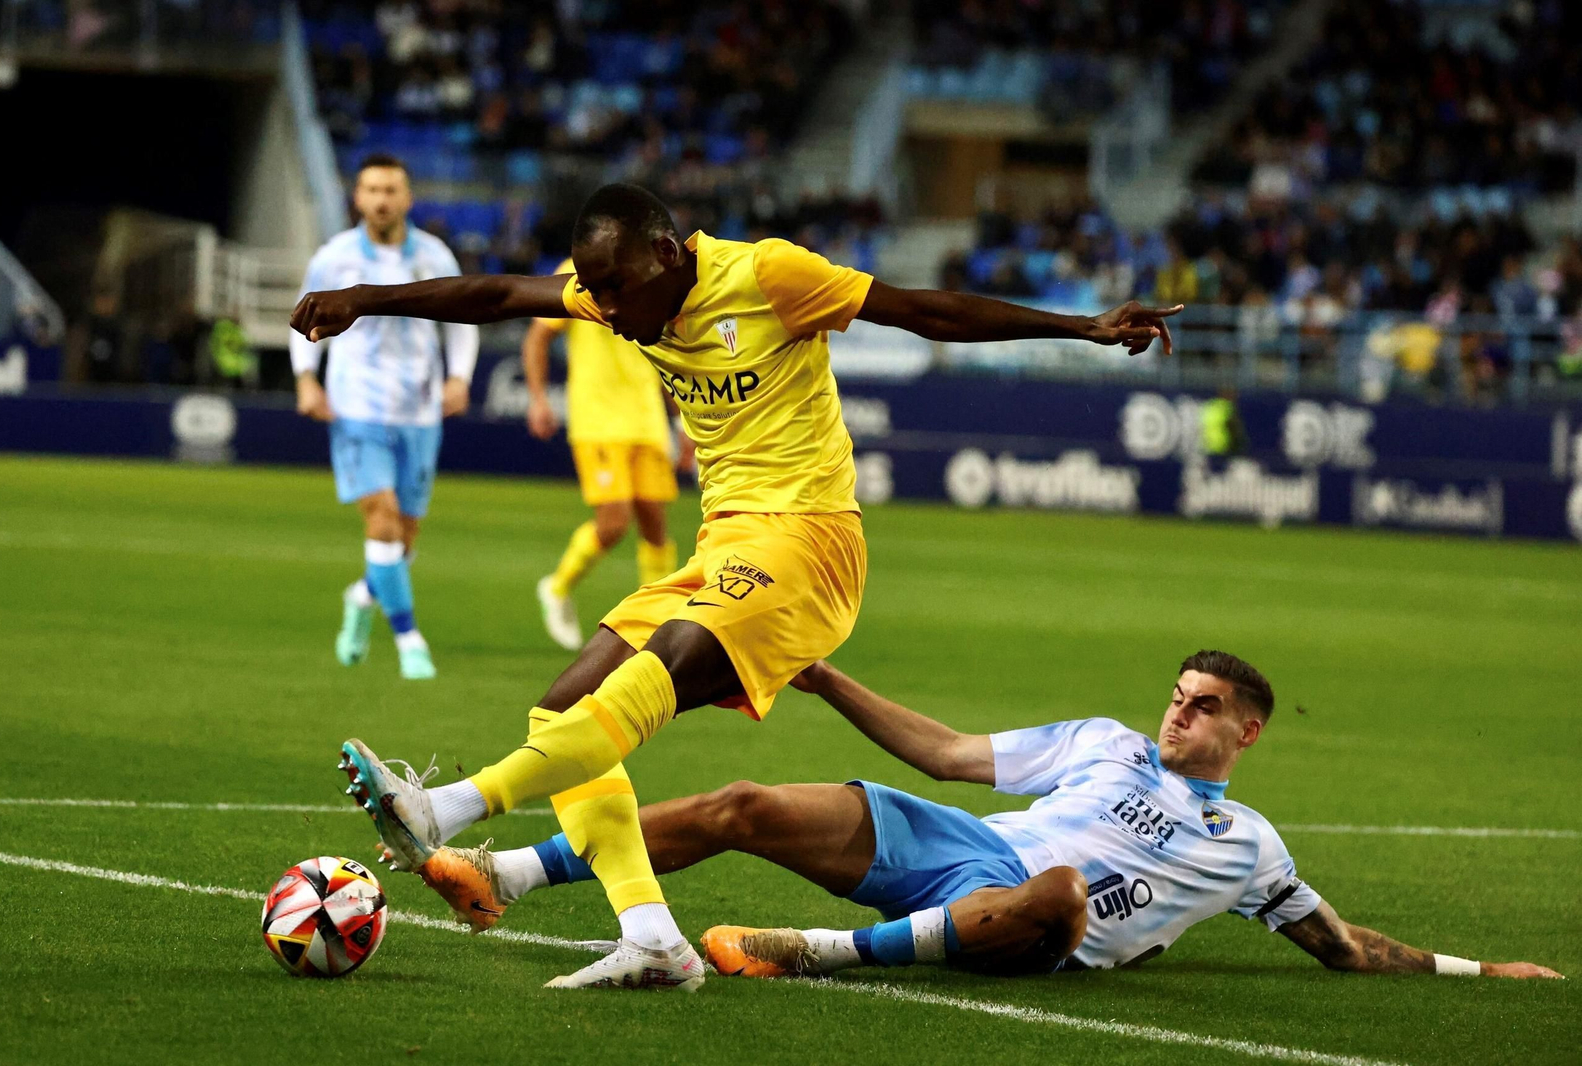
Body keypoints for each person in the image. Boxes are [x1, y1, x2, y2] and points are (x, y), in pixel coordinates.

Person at [292, 182, 1181, 990]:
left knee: (668, 662)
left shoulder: (769, 276)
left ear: (670, 255)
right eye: (592, 292)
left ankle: (447, 807)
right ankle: (650, 938)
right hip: (723, 544)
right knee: (565, 704)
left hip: (809, 545)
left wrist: (1085, 327)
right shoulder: (619, 293)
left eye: (617, 290)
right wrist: (363, 303)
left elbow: (922, 311)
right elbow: (493, 295)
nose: (604, 309)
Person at [423, 652, 1563, 983]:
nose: (1176, 712)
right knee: (742, 803)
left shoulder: (1249, 844)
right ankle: (510, 872)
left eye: (1201, 705)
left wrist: (1474, 968)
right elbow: (950, 753)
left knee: (1060, 895)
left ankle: (809, 953)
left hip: (1033, 916)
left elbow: (1342, 944)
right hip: (964, 845)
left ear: (1246, 730)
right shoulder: (1104, 740)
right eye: (1175, 694)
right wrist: (830, 683)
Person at [289, 154, 479, 680]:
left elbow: (463, 320)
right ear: (357, 197)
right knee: (382, 518)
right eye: (372, 189)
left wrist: (459, 376)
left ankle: (360, 597)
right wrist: (307, 379)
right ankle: (409, 638)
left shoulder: (435, 254)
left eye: (391, 189)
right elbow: (301, 318)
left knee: (403, 540)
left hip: (420, 412)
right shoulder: (336, 256)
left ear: (407, 197)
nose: (381, 199)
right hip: (356, 408)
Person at [524, 256, 692, 651]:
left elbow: (664, 355)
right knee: (614, 522)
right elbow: (538, 335)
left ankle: (653, 625)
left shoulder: (654, 272)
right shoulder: (578, 268)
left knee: (654, 522)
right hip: (597, 417)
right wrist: (537, 398)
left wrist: (684, 422)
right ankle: (556, 586)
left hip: (647, 421)